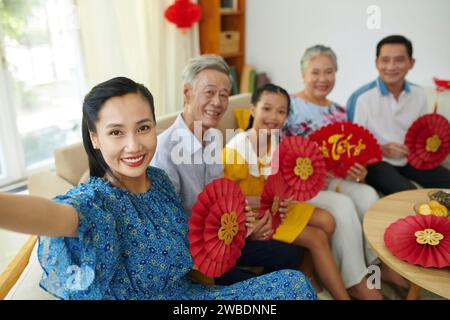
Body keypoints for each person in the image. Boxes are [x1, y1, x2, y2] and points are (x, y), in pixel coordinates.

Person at [0, 77, 316, 300]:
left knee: (294, 283)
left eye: (143, 128)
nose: (134, 145)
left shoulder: (159, 181)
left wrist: (237, 231)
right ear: (95, 139)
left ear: (155, 127)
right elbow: (51, 215)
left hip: (193, 295)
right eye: (116, 133)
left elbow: (188, 248)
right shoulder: (96, 202)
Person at [151, 55, 305, 286]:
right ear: (187, 93)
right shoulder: (165, 151)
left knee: (291, 255)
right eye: (209, 92)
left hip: (224, 237)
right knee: (266, 284)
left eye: (224, 95)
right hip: (195, 252)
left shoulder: (213, 137)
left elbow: (222, 197)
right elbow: (167, 226)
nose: (218, 102)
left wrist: (244, 224)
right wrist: (235, 234)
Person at [283, 45, 408, 299]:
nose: (322, 79)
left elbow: (348, 157)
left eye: (329, 72)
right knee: (342, 206)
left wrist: (356, 172)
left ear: (336, 74)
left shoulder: (339, 111)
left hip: (333, 181)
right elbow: (272, 151)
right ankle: (356, 281)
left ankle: (379, 267)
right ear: (303, 74)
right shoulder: (288, 105)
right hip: (297, 186)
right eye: (315, 72)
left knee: (368, 194)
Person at [222, 83, 350, 300]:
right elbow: (227, 199)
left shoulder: (278, 142)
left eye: (281, 111)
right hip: (251, 216)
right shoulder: (237, 148)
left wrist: (285, 194)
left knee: (328, 221)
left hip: (274, 208)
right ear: (253, 109)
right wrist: (266, 201)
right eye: (267, 108)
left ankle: (305, 276)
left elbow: (280, 183)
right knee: (316, 237)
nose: (273, 116)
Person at [347, 34, 450, 195]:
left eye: (399, 60)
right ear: (376, 63)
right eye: (385, 60)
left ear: (411, 63)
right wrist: (381, 149)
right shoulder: (361, 98)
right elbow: (352, 145)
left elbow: (421, 134)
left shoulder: (419, 94)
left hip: (412, 159)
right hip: (377, 162)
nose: (391, 66)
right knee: (409, 194)